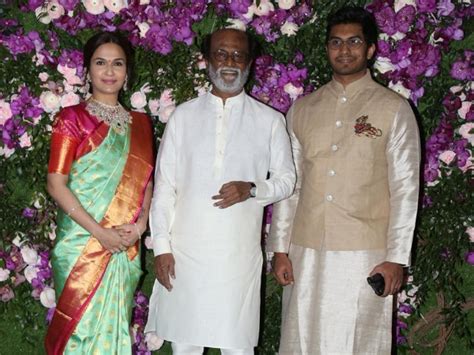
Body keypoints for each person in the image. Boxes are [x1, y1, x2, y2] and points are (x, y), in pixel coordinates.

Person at [268, 6, 421, 354]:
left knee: (358, 343)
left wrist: (396, 258)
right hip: (304, 250)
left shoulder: (393, 109)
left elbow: (405, 189)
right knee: (301, 340)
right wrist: (280, 249)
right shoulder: (303, 109)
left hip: (364, 255)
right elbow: (290, 185)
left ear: (370, 49)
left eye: (354, 42)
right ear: (327, 48)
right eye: (336, 42)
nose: (344, 50)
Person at [145, 28, 295, 354]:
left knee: (237, 347)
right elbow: (165, 189)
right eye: (221, 54)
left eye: (238, 55)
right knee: (184, 345)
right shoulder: (183, 117)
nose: (230, 62)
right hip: (184, 256)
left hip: (237, 261)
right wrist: (161, 248)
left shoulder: (270, 120)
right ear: (208, 60)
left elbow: (287, 180)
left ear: (250, 63)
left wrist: (252, 189)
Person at [44, 32, 154, 354]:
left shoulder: (141, 124)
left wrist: (141, 225)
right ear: (88, 71)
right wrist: (99, 233)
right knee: (77, 333)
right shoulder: (72, 119)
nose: (109, 71)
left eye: (117, 63)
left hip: (124, 241)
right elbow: (55, 183)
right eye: (101, 63)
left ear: (127, 71)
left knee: (114, 326)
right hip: (81, 243)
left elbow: (146, 181)